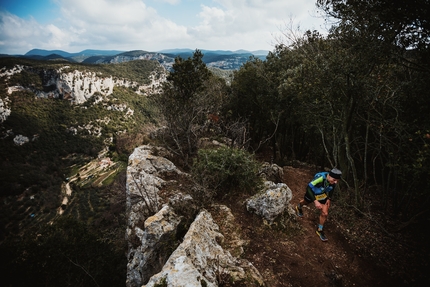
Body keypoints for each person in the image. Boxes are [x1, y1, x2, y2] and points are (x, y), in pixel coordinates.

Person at [296, 168, 342, 242]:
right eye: (334, 180)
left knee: (325, 213)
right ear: (329, 176)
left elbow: (332, 188)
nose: (336, 182)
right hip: (312, 193)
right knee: (306, 202)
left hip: (321, 194)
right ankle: (299, 206)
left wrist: (328, 198)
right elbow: (309, 187)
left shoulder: (333, 181)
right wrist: (315, 201)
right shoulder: (320, 178)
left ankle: (319, 229)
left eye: (337, 181)